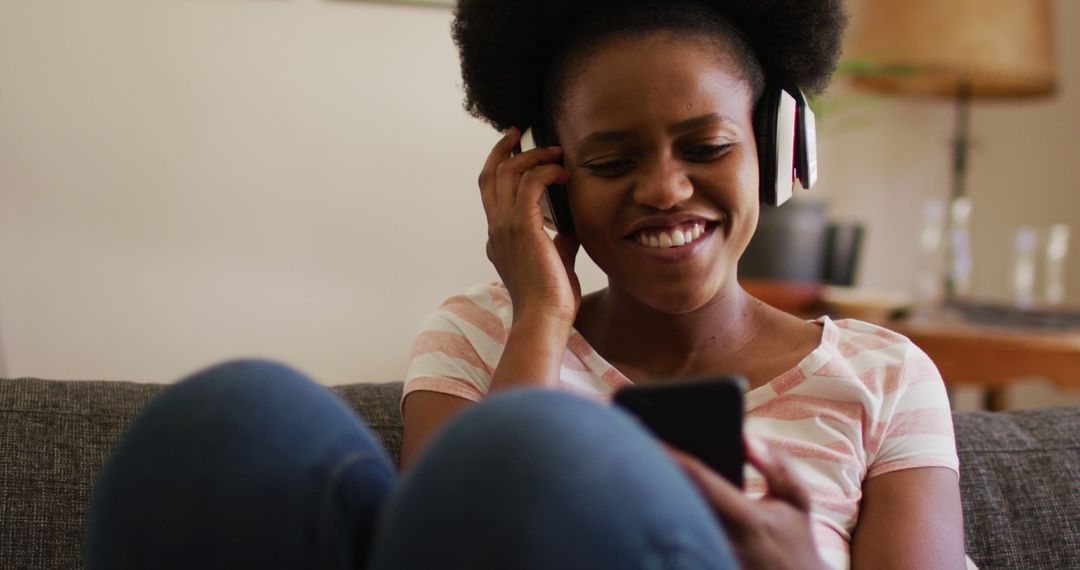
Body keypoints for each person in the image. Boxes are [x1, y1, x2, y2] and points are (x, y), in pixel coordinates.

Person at [85, 1, 969, 569]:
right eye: (612, 160)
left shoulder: (884, 376)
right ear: (549, 181)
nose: (664, 188)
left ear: (779, 152)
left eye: (706, 147)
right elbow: (447, 546)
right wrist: (541, 312)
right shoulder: (478, 337)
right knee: (232, 415)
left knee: (529, 457)